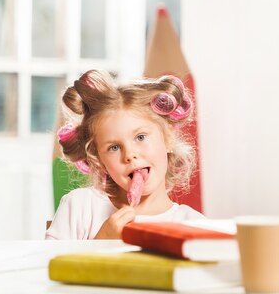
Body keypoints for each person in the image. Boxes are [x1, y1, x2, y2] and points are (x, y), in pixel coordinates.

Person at [45, 70, 204, 240]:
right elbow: (47, 266)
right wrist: (102, 241)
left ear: (168, 139)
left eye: (140, 137)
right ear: (99, 160)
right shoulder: (80, 207)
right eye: (114, 147)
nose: (129, 155)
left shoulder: (194, 225)